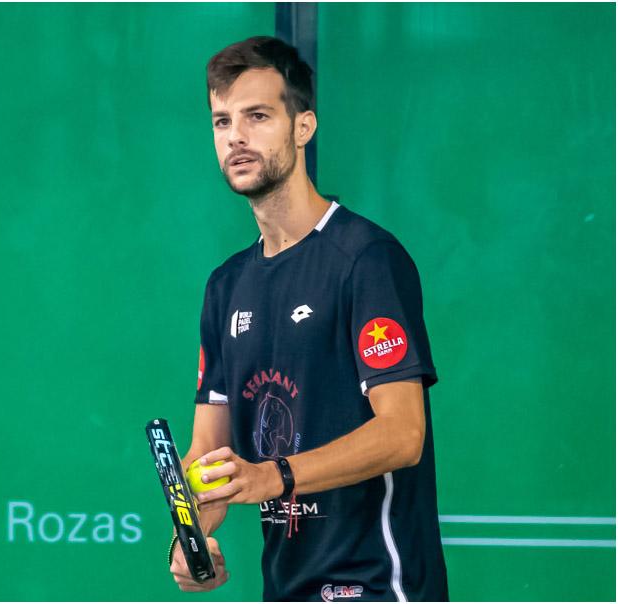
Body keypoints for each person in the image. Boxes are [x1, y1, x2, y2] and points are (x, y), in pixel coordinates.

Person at [168, 36, 449, 601]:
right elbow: (207, 455)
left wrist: (274, 476)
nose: (236, 136)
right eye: (222, 121)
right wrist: (191, 537)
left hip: (378, 587)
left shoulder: (365, 258)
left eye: (257, 116)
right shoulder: (225, 286)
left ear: (303, 127)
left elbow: (403, 433)